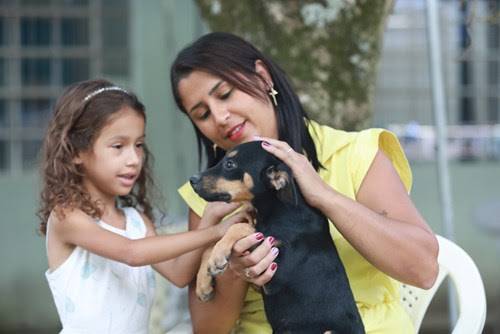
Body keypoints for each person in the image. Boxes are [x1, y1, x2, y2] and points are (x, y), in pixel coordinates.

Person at [170, 32, 440, 333]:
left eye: (225, 94)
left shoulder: (353, 155)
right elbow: (207, 329)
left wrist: (325, 196)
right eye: (203, 114)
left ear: (262, 77)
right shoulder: (213, 198)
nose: (220, 117)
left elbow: (424, 270)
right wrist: (235, 270)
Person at [38, 79, 251, 334]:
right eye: (118, 146)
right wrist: (215, 233)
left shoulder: (136, 221)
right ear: (76, 152)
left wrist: (208, 219)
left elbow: (179, 274)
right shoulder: (67, 217)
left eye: (138, 145)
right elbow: (132, 253)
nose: (134, 159)